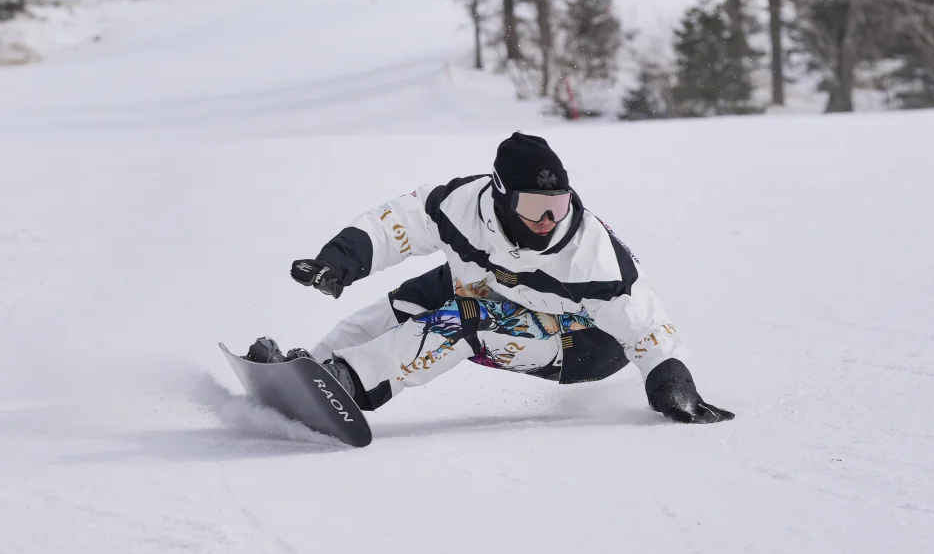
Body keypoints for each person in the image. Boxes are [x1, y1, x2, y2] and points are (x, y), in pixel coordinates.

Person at [246, 132, 734, 425]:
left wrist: (671, 382)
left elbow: (645, 320)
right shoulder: (459, 207)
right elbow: (395, 224)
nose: (549, 221)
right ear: (500, 196)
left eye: (559, 206)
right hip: (499, 288)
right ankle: (317, 369)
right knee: (412, 299)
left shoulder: (587, 254)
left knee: (464, 317)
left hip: (583, 343)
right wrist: (339, 260)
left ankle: (349, 385)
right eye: (535, 207)